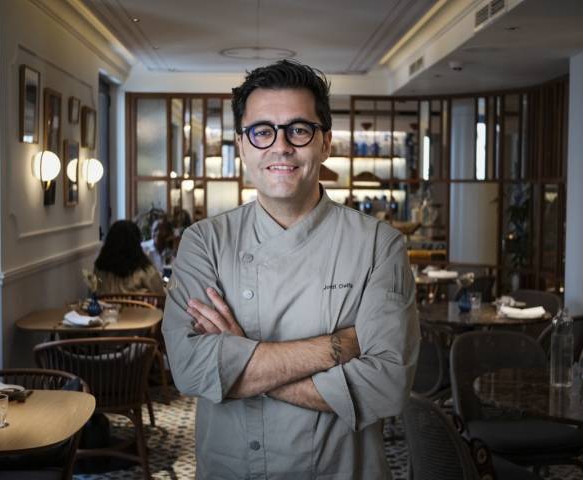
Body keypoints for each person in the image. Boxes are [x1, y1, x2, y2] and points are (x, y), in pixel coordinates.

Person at [162, 60, 419, 479]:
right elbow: (189, 370)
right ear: (242, 146)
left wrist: (236, 357)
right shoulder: (203, 242)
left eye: (298, 129)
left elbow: (387, 386)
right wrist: (339, 346)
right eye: (262, 131)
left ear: (325, 143)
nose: (280, 147)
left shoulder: (378, 245)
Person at [93, 219, 164, 295]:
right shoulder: (145, 271)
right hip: (139, 307)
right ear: (137, 243)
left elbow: (94, 293)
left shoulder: (99, 269)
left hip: (106, 306)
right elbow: (160, 294)